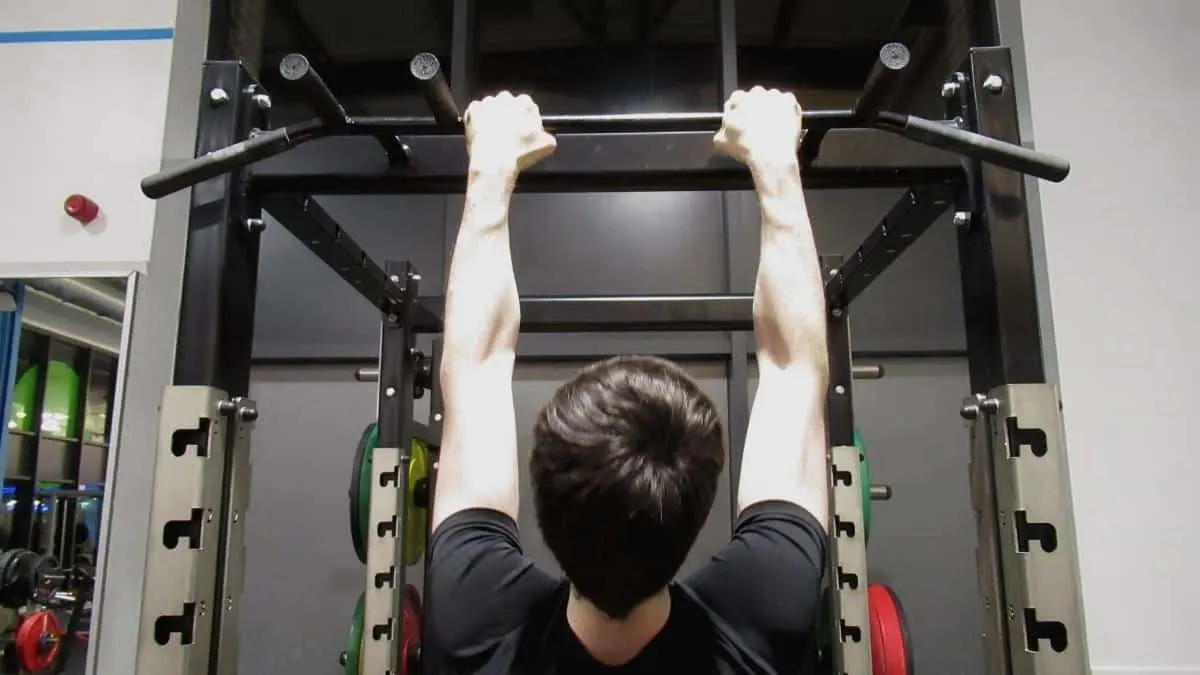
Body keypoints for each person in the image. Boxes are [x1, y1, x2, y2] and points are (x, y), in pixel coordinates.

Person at [426, 87, 830, 674]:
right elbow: (795, 368)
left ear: (539, 498)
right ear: (701, 506)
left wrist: (491, 167)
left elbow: (476, 366)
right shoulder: (766, 611)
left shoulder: (476, 625)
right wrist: (774, 162)